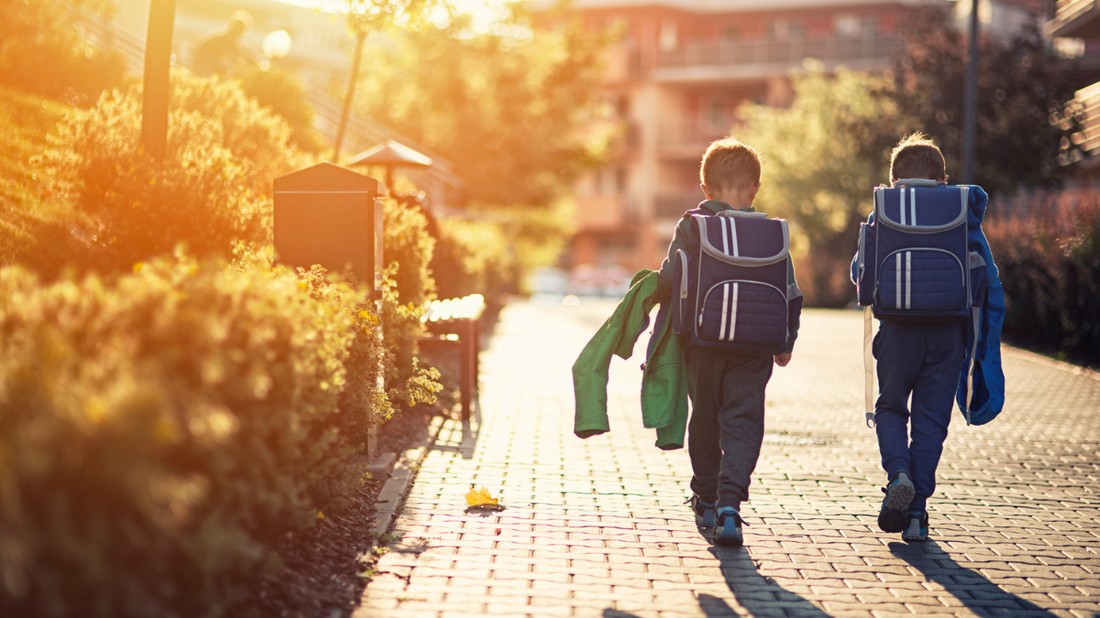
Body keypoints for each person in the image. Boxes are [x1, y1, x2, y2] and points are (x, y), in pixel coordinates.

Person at [854, 132, 999, 543]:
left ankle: (897, 472)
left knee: (891, 408)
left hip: (897, 331)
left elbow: (860, 275)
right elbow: (986, 278)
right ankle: (917, 513)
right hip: (947, 334)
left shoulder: (882, 212)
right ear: (944, 178)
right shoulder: (959, 213)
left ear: (894, 179)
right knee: (931, 422)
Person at [656, 137, 800, 546]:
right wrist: (786, 340)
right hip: (755, 348)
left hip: (702, 344)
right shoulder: (772, 233)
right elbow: (790, 290)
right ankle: (730, 505)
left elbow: (670, 279)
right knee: (743, 421)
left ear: (706, 190)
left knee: (704, 418)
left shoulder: (693, 226)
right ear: (756, 188)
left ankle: (705, 497)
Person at [193, 11, 255, 76]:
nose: (241, 35)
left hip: (205, 63)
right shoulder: (226, 39)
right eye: (241, 32)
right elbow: (239, 53)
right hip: (204, 64)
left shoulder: (225, 37)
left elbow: (241, 52)